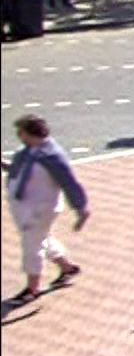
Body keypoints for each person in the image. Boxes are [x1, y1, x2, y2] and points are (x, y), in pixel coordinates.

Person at [6, 115, 88, 303]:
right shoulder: (27, 152)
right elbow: (18, 171)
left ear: (29, 133)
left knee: (32, 246)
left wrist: (81, 208)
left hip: (39, 209)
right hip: (25, 207)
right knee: (42, 239)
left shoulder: (52, 156)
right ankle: (67, 268)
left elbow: (70, 183)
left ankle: (32, 288)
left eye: (20, 132)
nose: (18, 135)